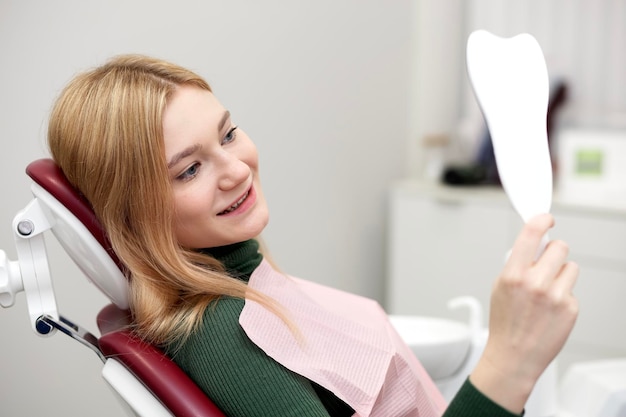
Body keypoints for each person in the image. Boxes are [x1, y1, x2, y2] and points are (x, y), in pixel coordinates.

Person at [47, 54, 579, 417]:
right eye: (189, 170)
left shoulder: (240, 284)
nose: (235, 169)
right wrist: (509, 362)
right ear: (134, 212)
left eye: (228, 134)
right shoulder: (222, 340)